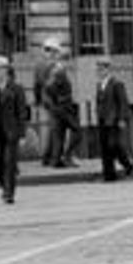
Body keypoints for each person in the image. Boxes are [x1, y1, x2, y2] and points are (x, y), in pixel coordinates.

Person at [0, 56, 32, 205]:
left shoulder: (17, 89)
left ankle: (8, 193)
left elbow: (22, 113)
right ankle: (5, 185)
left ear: (6, 70)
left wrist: (23, 134)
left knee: (9, 163)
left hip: (11, 132)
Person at [94, 59, 133, 182]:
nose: (99, 71)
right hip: (102, 120)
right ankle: (109, 175)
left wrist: (122, 119)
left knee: (113, 146)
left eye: (102, 69)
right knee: (105, 148)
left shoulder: (116, 83)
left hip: (113, 119)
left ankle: (128, 165)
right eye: (98, 69)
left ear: (108, 70)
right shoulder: (99, 84)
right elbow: (99, 102)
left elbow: (123, 102)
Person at [39, 39, 80, 168]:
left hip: (54, 106)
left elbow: (41, 88)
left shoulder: (44, 66)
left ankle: (52, 159)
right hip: (61, 107)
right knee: (75, 131)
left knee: (57, 133)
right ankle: (64, 157)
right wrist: (56, 101)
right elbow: (47, 87)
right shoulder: (57, 70)